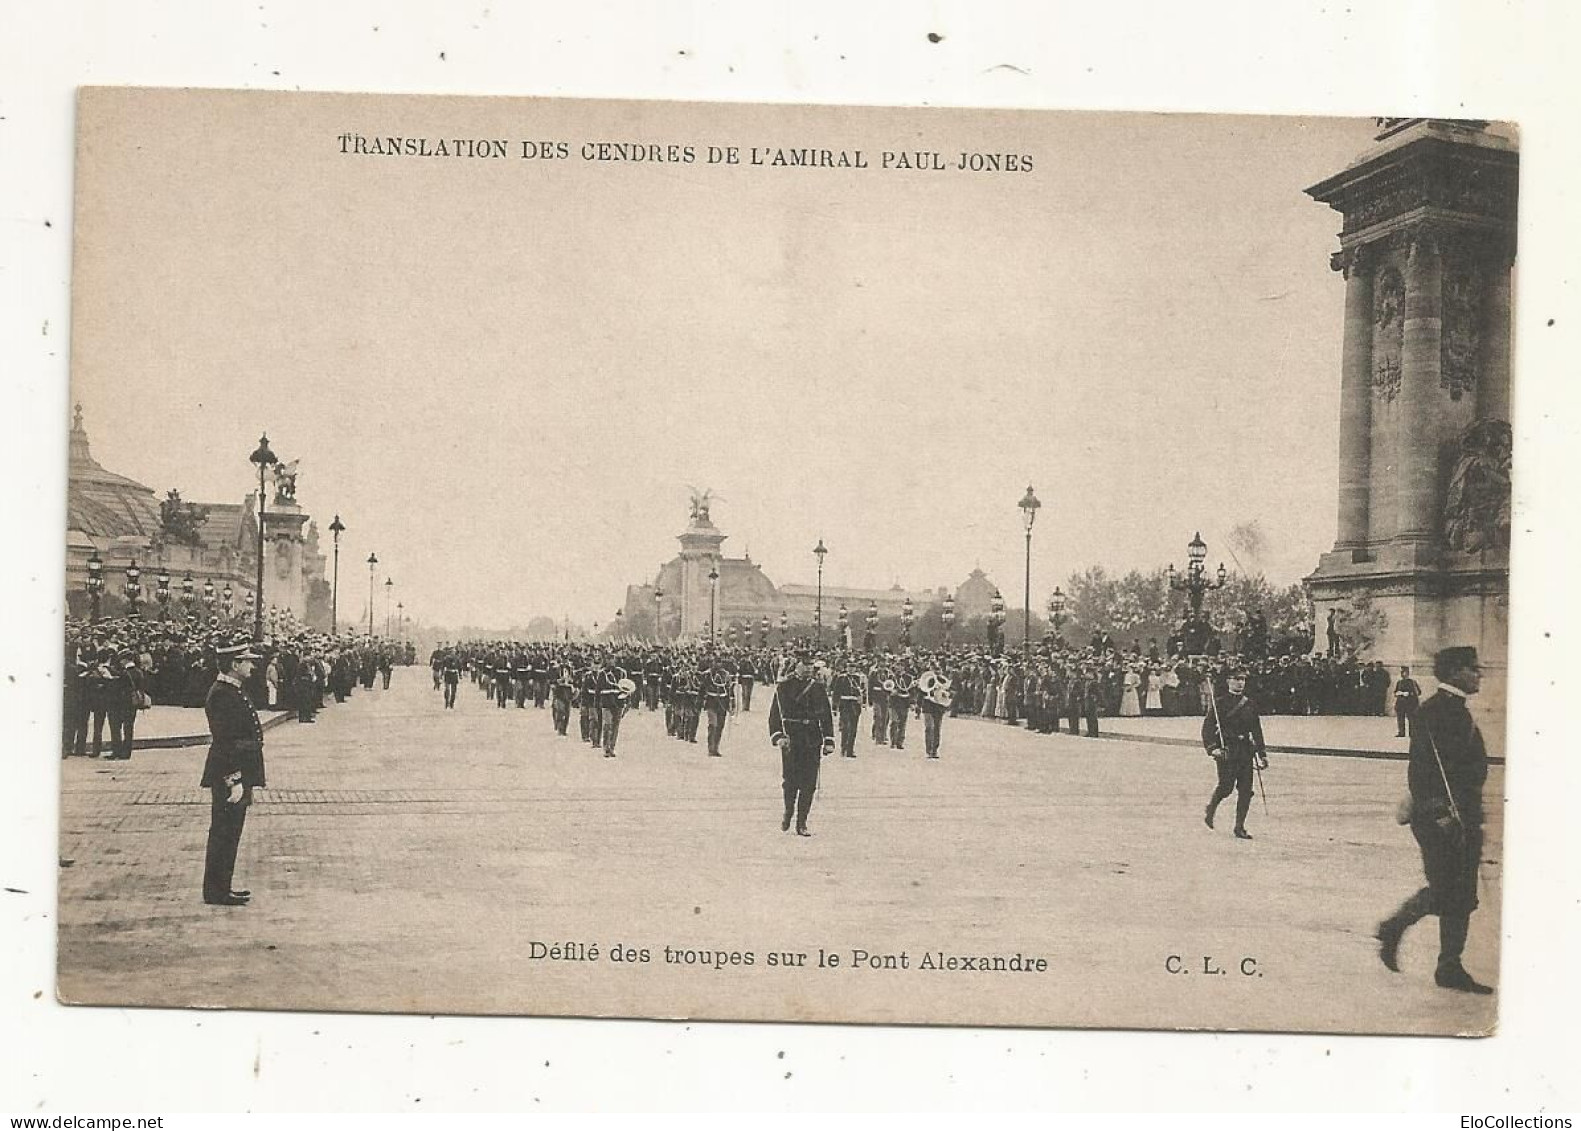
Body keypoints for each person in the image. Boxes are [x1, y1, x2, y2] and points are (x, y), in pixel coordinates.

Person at [1375, 646, 1494, 994]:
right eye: (1474, 668)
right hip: (1441, 817)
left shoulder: (1454, 709)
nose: (1479, 674)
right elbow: (1423, 771)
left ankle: (1449, 966)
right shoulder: (1434, 711)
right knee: (1446, 888)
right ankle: (1394, 926)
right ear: (1456, 671)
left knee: (1462, 892)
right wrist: (1442, 815)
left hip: (1464, 814)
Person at [200, 642, 267, 906]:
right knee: (224, 832)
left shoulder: (231, 690)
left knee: (230, 832)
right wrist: (235, 779)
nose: (252, 666)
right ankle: (216, 890)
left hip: (237, 772)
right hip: (230, 773)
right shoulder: (222, 694)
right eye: (247, 661)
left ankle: (222, 886)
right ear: (234, 664)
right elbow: (226, 741)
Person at [767, 653, 835, 836]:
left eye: (810, 665)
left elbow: (826, 716)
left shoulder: (818, 689)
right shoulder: (784, 687)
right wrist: (778, 736)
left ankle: (802, 821)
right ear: (796, 665)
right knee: (790, 782)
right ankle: (788, 811)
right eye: (804, 665)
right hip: (792, 739)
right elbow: (775, 716)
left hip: (812, 739)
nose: (807, 668)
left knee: (809, 783)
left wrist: (829, 739)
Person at [1202, 667, 1267, 840]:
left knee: (1246, 790)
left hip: (1245, 750)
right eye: (1236, 679)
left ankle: (1239, 827)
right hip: (1227, 750)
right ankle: (1211, 808)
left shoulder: (1250, 704)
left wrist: (1262, 753)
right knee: (1226, 787)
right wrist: (1212, 748)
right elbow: (1208, 728)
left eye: (1243, 679)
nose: (1240, 683)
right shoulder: (1220, 703)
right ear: (1228, 681)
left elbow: (1256, 729)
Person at [830, 661, 865, 758]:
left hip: (855, 705)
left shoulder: (858, 678)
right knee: (846, 728)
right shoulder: (842, 678)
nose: (851, 669)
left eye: (853, 667)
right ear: (847, 668)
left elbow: (862, 691)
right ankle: (843, 748)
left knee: (853, 729)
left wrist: (862, 700)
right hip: (845, 705)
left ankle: (850, 750)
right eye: (850, 667)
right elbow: (836, 693)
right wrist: (834, 707)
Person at [1393, 665, 1422, 738]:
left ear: (1407, 673)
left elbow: (1418, 692)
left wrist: (1409, 694)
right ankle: (1401, 732)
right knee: (1400, 718)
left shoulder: (1412, 682)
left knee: (1411, 718)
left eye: (1404, 672)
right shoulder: (1399, 682)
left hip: (1410, 703)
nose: (1402, 674)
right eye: (1402, 672)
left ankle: (1412, 733)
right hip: (1400, 703)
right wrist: (1398, 693)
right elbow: (1395, 691)